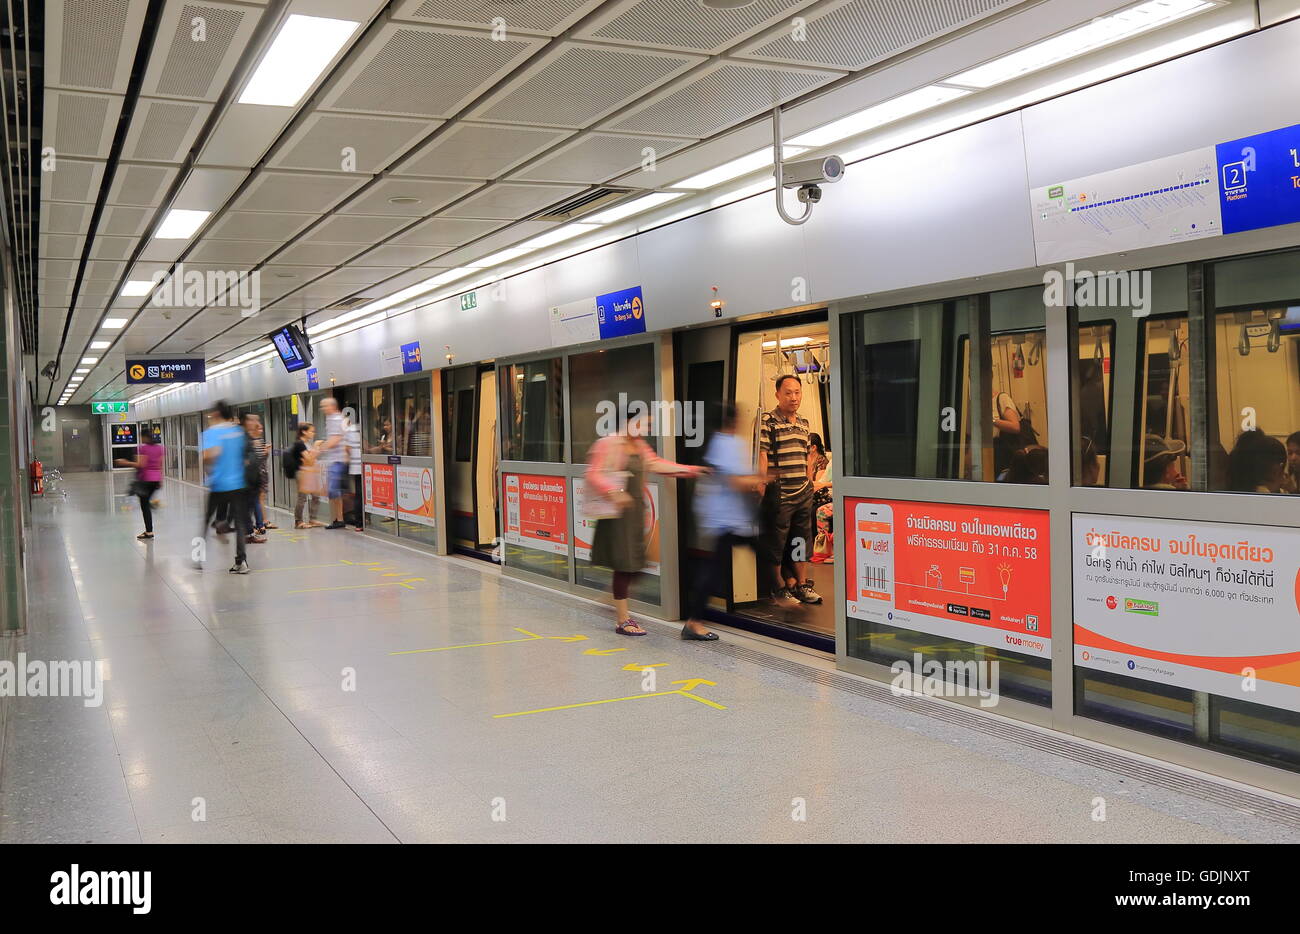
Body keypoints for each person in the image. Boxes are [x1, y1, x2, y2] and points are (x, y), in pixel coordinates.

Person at [586, 405, 706, 637]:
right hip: (617, 512)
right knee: (625, 563)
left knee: (639, 561)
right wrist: (614, 492)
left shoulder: (639, 445)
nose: (645, 427)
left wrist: (692, 470)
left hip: (634, 512)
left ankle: (614, 597)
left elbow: (657, 464)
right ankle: (622, 619)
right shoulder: (609, 444)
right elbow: (594, 473)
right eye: (642, 423)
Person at [683, 403, 763, 641]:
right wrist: (762, 478)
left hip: (725, 518)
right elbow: (735, 482)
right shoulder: (728, 444)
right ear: (732, 421)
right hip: (727, 519)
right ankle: (693, 622)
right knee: (717, 570)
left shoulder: (717, 442)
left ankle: (782, 598)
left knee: (754, 552)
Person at [759, 374, 822, 608]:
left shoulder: (804, 423)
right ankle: (779, 587)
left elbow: (807, 456)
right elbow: (762, 454)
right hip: (781, 493)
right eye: (788, 392)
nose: (794, 397)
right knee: (777, 542)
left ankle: (802, 585)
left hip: (803, 492)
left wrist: (809, 482)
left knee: (800, 540)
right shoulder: (769, 421)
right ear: (777, 395)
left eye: (797, 392)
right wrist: (761, 484)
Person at [197, 400, 251, 573]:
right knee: (240, 523)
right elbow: (245, 457)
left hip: (219, 484)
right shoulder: (239, 431)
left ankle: (197, 558)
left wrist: (209, 470)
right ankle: (241, 562)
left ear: (216, 414)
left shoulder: (211, 432)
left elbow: (209, 456)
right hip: (238, 483)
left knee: (206, 521)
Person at [116, 429, 164, 540]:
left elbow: (140, 465)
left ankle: (149, 531)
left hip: (145, 479)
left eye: (142, 437)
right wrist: (161, 480)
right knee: (146, 502)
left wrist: (124, 462)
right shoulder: (160, 448)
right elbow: (161, 465)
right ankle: (149, 526)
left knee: (145, 505)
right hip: (156, 479)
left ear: (145, 437)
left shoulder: (142, 448)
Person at [288, 423, 324, 529]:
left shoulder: (306, 444)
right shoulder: (300, 444)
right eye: (311, 431)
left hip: (309, 472)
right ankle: (298, 521)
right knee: (302, 497)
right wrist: (316, 446)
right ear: (304, 432)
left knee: (316, 496)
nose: (313, 433)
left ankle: (312, 519)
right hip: (302, 472)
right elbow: (308, 459)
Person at [320, 398, 348, 529]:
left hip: (338, 460)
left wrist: (319, 449)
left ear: (332, 406)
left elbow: (336, 438)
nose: (322, 409)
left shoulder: (337, 419)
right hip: (332, 461)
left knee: (334, 490)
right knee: (333, 493)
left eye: (324, 406)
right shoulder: (330, 419)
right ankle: (339, 519)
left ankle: (341, 518)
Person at [242, 413, 269, 543]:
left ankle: (250, 532)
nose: (256, 423)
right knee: (249, 505)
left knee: (251, 504)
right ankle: (252, 530)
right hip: (246, 478)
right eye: (253, 420)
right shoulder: (244, 438)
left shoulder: (251, 439)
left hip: (253, 477)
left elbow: (256, 459)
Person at [993, 389, 1024, 480]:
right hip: (992, 451)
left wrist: (992, 420)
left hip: (1006, 449)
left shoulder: (1001, 398)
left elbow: (1015, 427)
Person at [345, 411, 364, 531]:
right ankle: (361, 522)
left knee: (359, 494)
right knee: (361, 494)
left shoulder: (348, 430)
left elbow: (347, 448)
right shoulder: (356, 429)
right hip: (361, 465)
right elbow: (365, 446)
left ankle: (359, 523)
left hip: (355, 466)